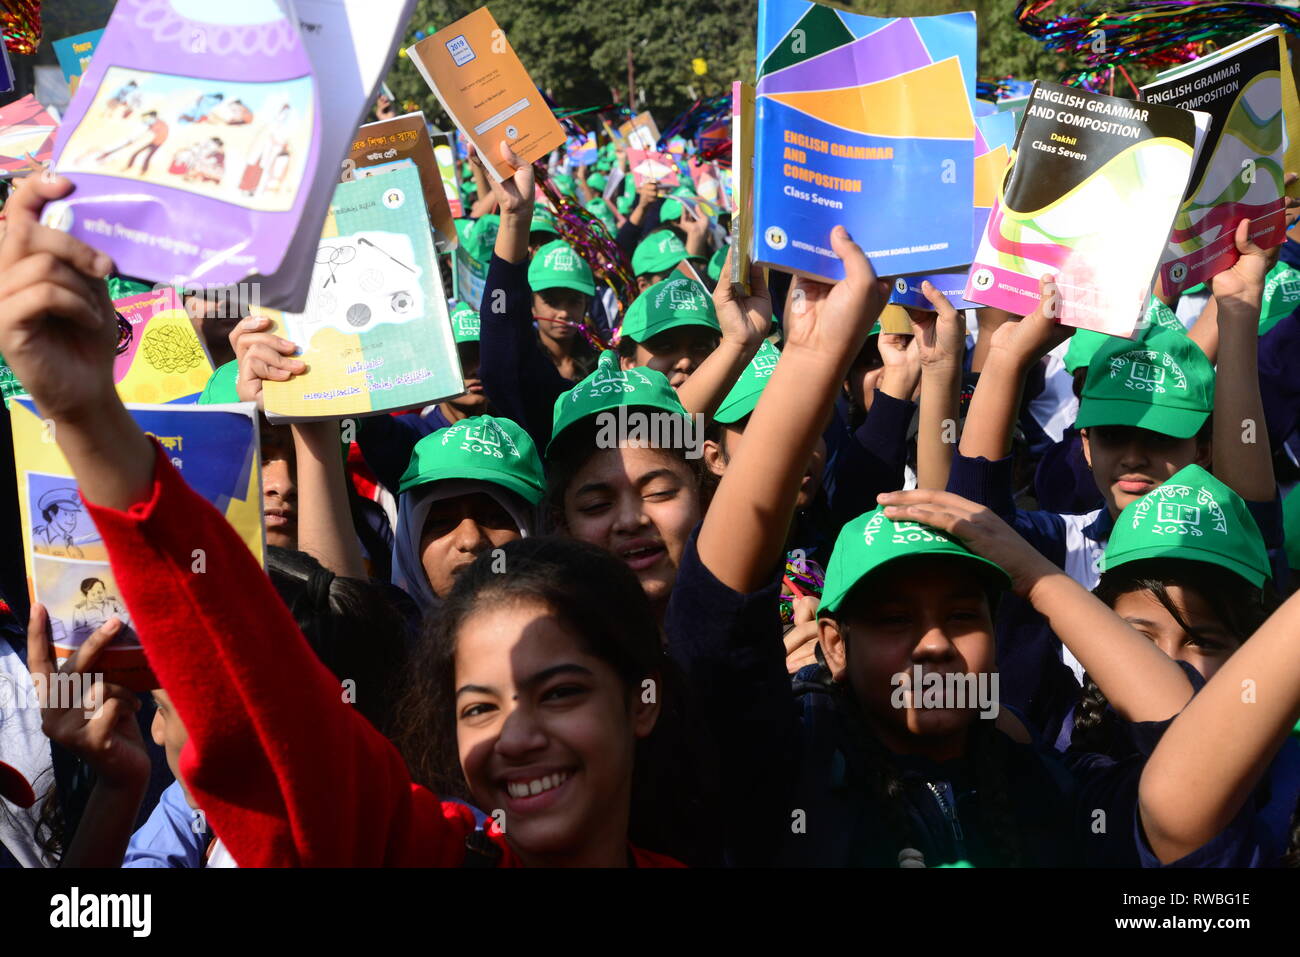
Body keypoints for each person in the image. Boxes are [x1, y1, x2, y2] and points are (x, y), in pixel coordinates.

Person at [32, 488, 84, 557]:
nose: (72, 519)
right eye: (66, 513)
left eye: (73, 514)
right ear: (52, 514)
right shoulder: (38, 539)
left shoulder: (70, 543)